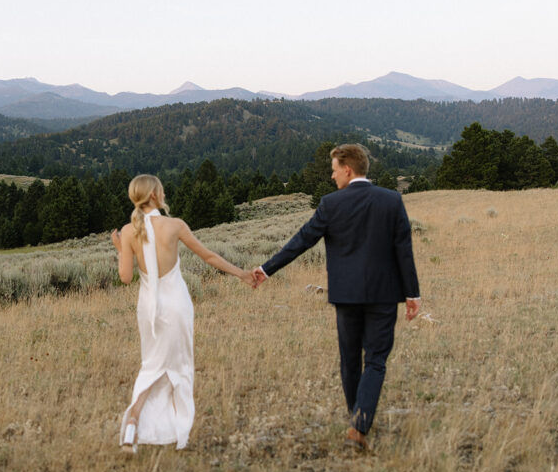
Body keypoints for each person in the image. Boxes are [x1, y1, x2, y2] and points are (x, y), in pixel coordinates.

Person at [252, 144, 421, 452]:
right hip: (384, 294)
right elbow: (404, 250)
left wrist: (267, 268)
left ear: (347, 169)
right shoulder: (392, 200)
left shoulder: (331, 204)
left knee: (350, 361)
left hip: (346, 295)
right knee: (376, 360)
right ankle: (358, 425)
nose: (331, 176)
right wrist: (413, 293)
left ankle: (356, 421)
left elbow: (301, 241)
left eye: (333, 170)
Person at [112, 174, 256, 453]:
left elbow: (126, 277)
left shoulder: (128, 231)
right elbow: (209, 256)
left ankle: (133, 422)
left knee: (151, 365)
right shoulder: (174, 225)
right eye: (161, 190)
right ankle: (177, 429)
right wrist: (243, 274)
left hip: (148, 309)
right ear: (154, 195)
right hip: (176, 305)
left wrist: (121, 250)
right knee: (178, 366)